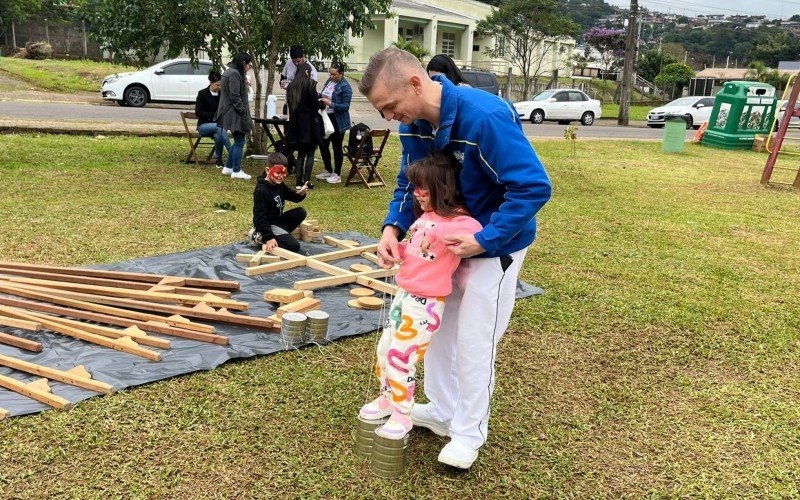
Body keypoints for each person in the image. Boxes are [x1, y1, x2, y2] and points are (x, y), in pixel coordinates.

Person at [359, 47, 552, 469]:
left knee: (474, 342)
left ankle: (468, 432)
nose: (389, 118)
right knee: (439, 330)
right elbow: (410, 182)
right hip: (442, 246)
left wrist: (486, 239)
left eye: (390, 107)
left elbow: (533, 187)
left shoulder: (485, 116)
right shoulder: (414, 126)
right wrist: (393, 227)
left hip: (494, 246)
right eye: (382, 111)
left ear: (415, 83)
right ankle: (442, 411)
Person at [359, 152, 483, 440]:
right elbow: (415, 251)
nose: (415, 194)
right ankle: (388, 398)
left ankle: (403, 414)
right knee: (384, 350)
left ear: (441, 187)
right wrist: (397, 252)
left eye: (421, 188)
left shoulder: (459, 222)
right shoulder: (424, 218)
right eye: (414, 187)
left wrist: (447, 232)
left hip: (424, 305)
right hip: (404, 296)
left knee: (400, 356)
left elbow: (475, 232)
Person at [249, 152, 310, 253]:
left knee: (301, 212)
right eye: (278, 173)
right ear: (268, 170)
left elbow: (293, 197)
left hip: (278, 221)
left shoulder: (279, 184)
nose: (281, 176)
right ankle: (259, 237)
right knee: (294, 246)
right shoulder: (261, 191)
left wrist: (301, 193)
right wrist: (269, 238)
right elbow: (260, 217)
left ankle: (280, 235)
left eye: (284, 172)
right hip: (267, 225)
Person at [215, 52, 254, 180]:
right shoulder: (234, 74)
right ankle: (236, 170)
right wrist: (243, 112)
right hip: (235, 113)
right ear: (243, 63)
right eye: (249, 64)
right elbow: (235, 96)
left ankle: (228, 167)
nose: (249, 67)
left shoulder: (229, 72)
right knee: (240, 142)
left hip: (229, 111)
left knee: (237, 141)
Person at [285, 62, 324, 190]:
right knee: (311, 153)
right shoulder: (310, 84)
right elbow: (315, 103)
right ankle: (307, 181)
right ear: (307, 72)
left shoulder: (291, 86)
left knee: (301, 153)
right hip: (309, 122)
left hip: (296, 122)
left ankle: (298, 181)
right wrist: (322, 104)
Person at [316, 62, 352, 184]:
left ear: (341, 73)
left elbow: (345, 106)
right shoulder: (329, 82)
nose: (332, 76)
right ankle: (328, 169)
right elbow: (323, 94)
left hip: (338, 120)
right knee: (323, 144)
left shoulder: (345, 87)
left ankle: (337, 173)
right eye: (330, 74)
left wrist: (330, 103)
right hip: (325, 117)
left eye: (334, 74)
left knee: (336, 145)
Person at [195, 71, 232, 169]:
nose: (219, 87)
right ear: (211, 83)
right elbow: (198, 112)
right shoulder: (202, 94)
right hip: (204, 125)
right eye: (217, 85)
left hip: (218, 126)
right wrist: (214, 115)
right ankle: (231, 152)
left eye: (221, 85)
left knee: (218, 136)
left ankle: (218, 160)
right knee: (218, 127)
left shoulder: (222, 94)